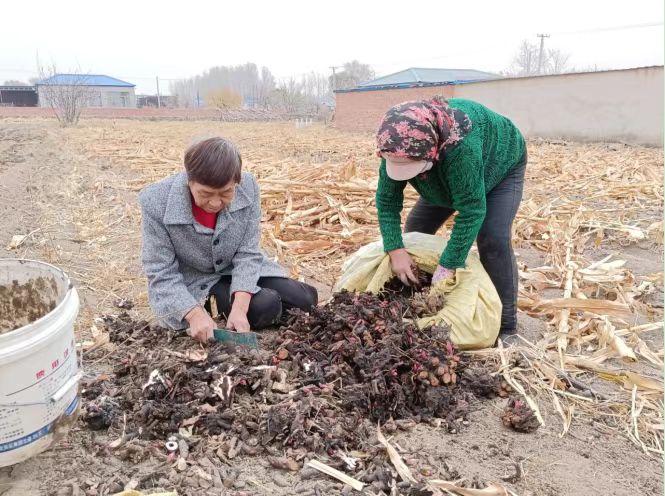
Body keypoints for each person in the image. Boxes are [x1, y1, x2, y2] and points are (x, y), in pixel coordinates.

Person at [375, 96, 526, 340]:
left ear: (431, 151)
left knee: (492, 238)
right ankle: (418, 297)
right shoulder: (396, 144)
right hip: (442, 175)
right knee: (417, 229)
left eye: (410, 166)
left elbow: (471, 210)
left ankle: (506, 324)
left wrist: (448, 263)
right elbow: (387, 201)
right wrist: (395, 250)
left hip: (500, 166)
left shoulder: (461, 147)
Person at [139, 137, 318, 342]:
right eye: (205, 194)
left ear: (237, 181)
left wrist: (239, 307)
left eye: (226, 193)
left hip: (234, 268)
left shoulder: (248, 187)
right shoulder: (156, 201)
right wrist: (194, 314)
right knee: (265, 306)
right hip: (195, 280)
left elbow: (247, 252)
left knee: (305, 300)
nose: (215, 202)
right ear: (189, 181)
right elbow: (160, 272)